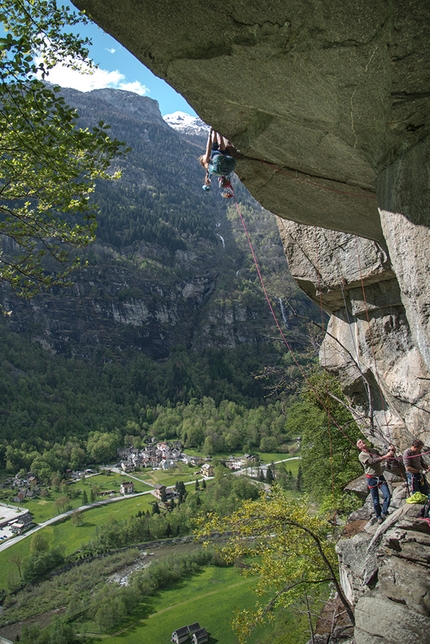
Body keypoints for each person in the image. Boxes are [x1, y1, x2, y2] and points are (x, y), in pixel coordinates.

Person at [357, 439, 395, 523]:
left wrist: (390, 450)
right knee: (375, 500)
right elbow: (372, 461)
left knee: (387, 495)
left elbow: (382, 455)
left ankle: (384, 512)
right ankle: (379, 516)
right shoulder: (362, 455)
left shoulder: (373, 450)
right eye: (360, 442)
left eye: (362, 441)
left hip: (379, 476)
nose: (362, 442)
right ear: (359, 447)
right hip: (371, 478)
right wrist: (386, 456)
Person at [199, 128, 236, 198]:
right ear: (203, 161)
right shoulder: (206, 162)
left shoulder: (209, 171)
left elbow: (221, 147)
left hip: (230, 164)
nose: (206, 156)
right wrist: (210, 135)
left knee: (220, 152)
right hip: (220, 162)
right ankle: (216, 131)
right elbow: (208, 148)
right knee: (214, 149)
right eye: (203, 156)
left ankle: (217, 132)